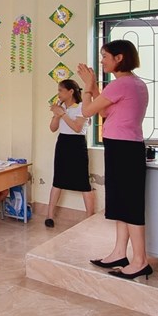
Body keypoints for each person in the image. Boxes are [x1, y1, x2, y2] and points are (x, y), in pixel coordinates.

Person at [77, 39, 150, 279]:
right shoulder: (133, 83)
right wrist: (95, 87)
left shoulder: (121, 84)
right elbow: (104, 111)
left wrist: (87, 87)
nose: (102, 61)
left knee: (129, 206)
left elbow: (87, 111)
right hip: (125, 147)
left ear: (119, 58)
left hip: (123, 149)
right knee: (121, 204)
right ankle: (120, 252)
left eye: (105, 57)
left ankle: (140, 261)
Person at [44, 79, 96, 228]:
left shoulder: (81, 107)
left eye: (61, 90)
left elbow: (77, 128)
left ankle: (90, 218)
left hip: (77, 145)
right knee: (57, 180)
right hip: (63, 143)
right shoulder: (61, 107)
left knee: (83, 182)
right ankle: (49, 216)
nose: (58, 94)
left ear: (71, 91)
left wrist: (63, 114)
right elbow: (53, 128)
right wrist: (57, 114)